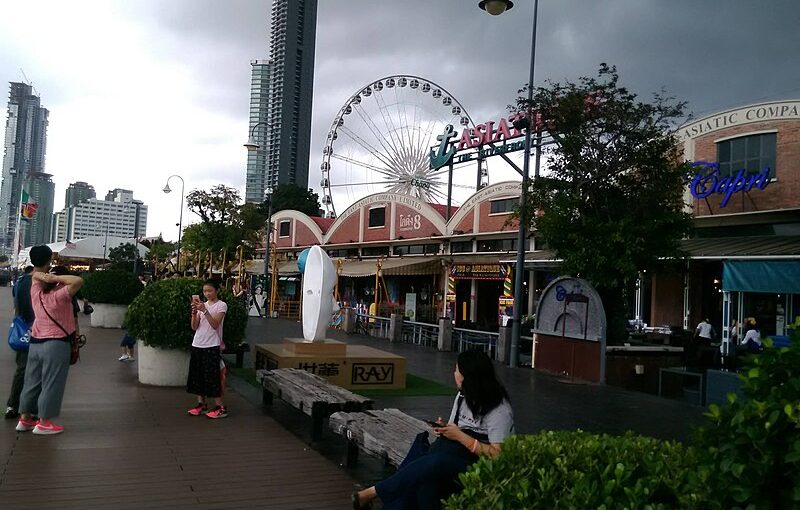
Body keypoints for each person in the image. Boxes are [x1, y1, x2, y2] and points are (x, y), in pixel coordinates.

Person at [353, 350, 514, 510]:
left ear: (469, 377)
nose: (454, 373)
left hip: (479, 464)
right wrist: (444, 429)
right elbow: (455, 428)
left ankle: (372, 493)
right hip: (453, 453)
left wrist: (460, 437)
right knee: (425, 477)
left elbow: (497, 455)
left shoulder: (499, 410)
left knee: (432, 464)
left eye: (457, 370)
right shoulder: (463, 396)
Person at [16, 246, 83, 435]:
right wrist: (56, 278)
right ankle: (44, 422)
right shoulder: (60, 295)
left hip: (36, 342)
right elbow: (78, 280)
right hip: (56, 343)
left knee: (32, 381)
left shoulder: (35, 289)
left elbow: (36, 275)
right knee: (52, 383)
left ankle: (25, 419)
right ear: (49, 261)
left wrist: (44, 276)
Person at [187, 278, 228, 419]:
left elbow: (215, 324)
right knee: (198, 376)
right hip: (198, 343)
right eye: (205, 291)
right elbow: (194, 327)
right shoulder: (201, 306)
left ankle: (220, 406)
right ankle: (201, 404)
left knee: (213, 377)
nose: (207, 294)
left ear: (217, 290)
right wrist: (194, 313)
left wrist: (205, 311)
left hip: (212, 345)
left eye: (210, 290)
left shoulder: (221, 305)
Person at [5, 266, 34, 419]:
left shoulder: (20, 282)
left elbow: (16, 306)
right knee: (39, 371)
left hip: (24, 329)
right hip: (41, 330)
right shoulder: (42, 281)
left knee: (21, 370)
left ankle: (12, 405)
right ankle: (33, 409)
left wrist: (17, 322)